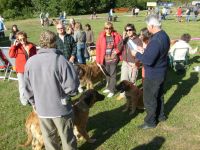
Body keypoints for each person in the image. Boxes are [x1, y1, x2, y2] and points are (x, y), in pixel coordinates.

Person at [24, 30, 78, 150]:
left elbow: (27, 88)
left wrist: (34, 102)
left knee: (49, 140)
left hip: (42, 110)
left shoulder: (30, 62)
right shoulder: (61, 61)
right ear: (55, 42)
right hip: (61, 109)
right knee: (67, 139)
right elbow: (72, 87)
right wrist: (69, 95)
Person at [131, 15, 170, 129]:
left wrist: (136, 54)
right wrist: (145, 50)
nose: (147, 28)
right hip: (161, 71)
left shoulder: (156, 40)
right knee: (159, 95)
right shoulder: (164, 35)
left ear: (152, 26)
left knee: (149, 99)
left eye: (148, 26)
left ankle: (150, 122)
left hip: (153, 74)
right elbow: (156, 53)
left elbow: (148, 60)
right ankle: (161, 116)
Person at [9, 31, 37, 105]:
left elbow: (35, 56)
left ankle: (32, 97)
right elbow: (11, 55)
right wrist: (14, 46)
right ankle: (23, 99)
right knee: (22, 85)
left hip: (30, 69)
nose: (22, 41)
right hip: (20, 69)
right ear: (17, 39)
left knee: (31, 84)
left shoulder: (31, 46)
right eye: (20, 39)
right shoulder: (16, 47)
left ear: (26, 38)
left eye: (23, 39)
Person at [117, 23, 142, 100]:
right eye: (127, 30)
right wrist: (123, 38)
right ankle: (122, 94)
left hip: (133, 63)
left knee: (132, 81)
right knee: (123, 79)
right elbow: (119, 48)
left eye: (130, 29)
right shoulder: (126, 39)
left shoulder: (138, 40)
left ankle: (132, 95)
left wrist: (136, 63)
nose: (128, 31)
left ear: (134, 30)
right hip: (125, 62)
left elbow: (140, 53)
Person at [96, 21, 122, 98]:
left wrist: (117, 51)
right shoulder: (101, 36)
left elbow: (121, 44)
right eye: (106, 28)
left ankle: (112, 90)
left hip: (114, 59)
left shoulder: (116, 35)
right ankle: (108, 87)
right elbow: (98, 48)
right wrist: (98, 60)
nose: (108, 30)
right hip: (105, 59)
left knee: (113, 74)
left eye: (110, 28)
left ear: (112, 28)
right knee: (107, 74)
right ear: (104, 28)